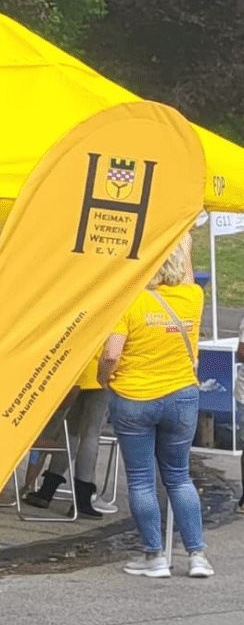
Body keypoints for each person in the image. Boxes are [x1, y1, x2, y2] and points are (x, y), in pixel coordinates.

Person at [103, 239, 212, 578]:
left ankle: (154, 556)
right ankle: (197, 556)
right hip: (181, 396)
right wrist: (185, 243)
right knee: (179, 476)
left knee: (141, 480)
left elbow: (110, 354)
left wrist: (104, 378)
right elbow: (189, 274)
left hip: (135, 396)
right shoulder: (193, 297)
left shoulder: (129, 302)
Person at [22, 361, 110, 517]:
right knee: (91, 433)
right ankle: (83, 500)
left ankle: (47, 490)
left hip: (77, 366)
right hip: (102, 372)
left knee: (71, 428)